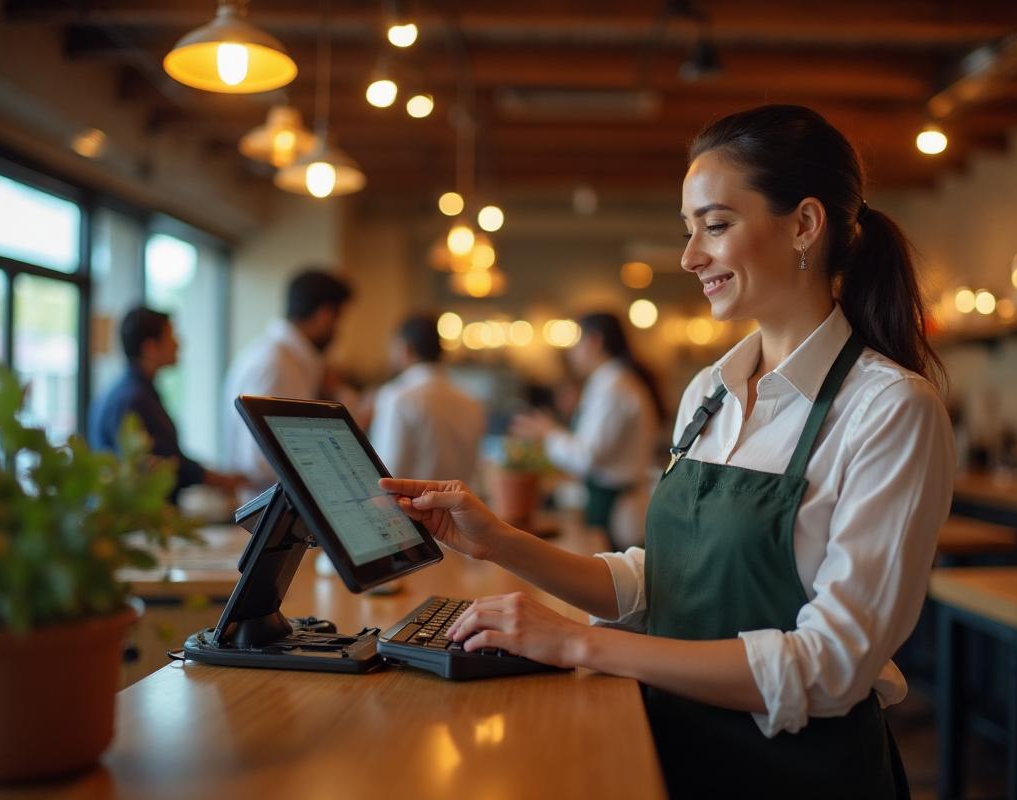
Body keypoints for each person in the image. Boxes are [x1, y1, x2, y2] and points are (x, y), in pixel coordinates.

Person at [380, 105, 954, 799]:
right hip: (671, 753)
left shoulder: (890, 409)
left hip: (796, 777)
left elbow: (831, 667)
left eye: (716, 225)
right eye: (689, 230)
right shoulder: (709, 391)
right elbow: (666, 582)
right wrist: (499, 541)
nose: (689, 257)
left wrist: (576, 642)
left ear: (805, 223)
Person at [511, 312, 663, 549]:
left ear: (595, 341)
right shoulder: (611, 381)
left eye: (576, 341)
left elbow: (587, 456)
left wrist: (548, 432)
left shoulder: (613, 385)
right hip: (612, 499)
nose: (571, 351)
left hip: (617, 505)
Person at [89, 307, 243, 503]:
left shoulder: (124, 392)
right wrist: (224, 481)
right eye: (171, 337)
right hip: (139, 517)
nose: (179, 344)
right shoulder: (134, 399)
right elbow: (165, 465)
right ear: (150, 348)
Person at [221, 268, 357, 490]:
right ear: (324, 315)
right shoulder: (276, 363)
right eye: (338, 319)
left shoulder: (288, 359)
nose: (338, 332)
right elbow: (259, 460)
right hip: (273, 502)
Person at [368, 314, 485, 482]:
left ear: (405, 348)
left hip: (410, 500)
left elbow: (386, 474)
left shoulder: (397, 397)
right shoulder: (470, 402)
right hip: (458, 499)